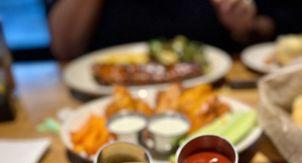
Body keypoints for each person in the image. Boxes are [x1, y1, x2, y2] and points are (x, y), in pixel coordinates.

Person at [45, 0, 298, 60]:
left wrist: (247, 25)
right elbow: (64, 47)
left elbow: (278, 25)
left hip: (222, 86)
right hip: (95, 100)